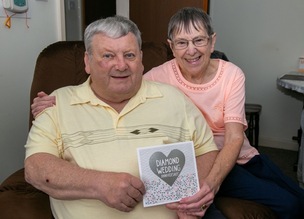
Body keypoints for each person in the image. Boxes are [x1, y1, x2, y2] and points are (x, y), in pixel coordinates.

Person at [31, 7, 304, 218]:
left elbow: (233, 139)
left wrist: (208, 186)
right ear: (171, 46)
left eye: (199, 40)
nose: (192, 50)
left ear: (212, 42)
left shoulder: (229, 74)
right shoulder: (156, 77)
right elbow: (117, 82)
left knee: (296, 199)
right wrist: (57, 99)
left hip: (237, 156)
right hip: (201, 162)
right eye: (182, 42)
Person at [24, 15, 222, 219]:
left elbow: (206, 151)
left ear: (141, 60)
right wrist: (98, 185)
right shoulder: (58, 102)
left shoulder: (174, 99)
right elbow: (35, 168)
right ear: (87, 61)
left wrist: (194, 197)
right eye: (108, 56)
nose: (121, 65)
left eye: (129, 55)